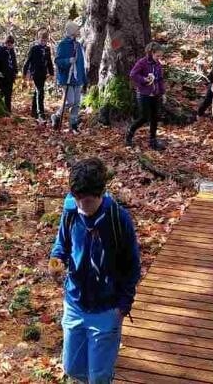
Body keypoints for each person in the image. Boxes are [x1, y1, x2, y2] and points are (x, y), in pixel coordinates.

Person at [48, 158, 141, 384]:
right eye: (77, 198)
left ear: (100, 194)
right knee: (71, 367)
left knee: (99, 376)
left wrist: (124, 305)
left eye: (87, 201)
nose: (82, 205)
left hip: (107, 309)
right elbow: (62, 243)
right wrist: (56, 258)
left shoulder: (118, 220)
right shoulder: (71, 211)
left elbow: (132, 266)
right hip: (75, 303)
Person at [125, 43, 165, 150]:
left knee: (155, 117)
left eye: (160, 56)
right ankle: (129, 134)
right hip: (143, 94)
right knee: (144, 117)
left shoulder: (158, 64)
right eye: (157, 56)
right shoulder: (142, 62)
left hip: (155, 94)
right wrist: (144, 79)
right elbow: (133, 74)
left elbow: (160, 79)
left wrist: (162, 92)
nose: (159, 58)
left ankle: (153, 141)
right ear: (152, 53)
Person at [52, 21, 87, 133]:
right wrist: (68, 61)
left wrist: (83, 78)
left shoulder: (78, 45)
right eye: (76, 30)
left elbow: (81, 63)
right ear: (71, 31)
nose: (78, 31)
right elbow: (57, 61)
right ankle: (57, 116)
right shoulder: (63, 44)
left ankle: (73, 124)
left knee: (77, 103)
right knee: (70, 101)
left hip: (77, 78)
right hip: (66, 77)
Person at [23, 28, 55, 124]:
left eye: (45, 40)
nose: (43, 42)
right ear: (38, 39)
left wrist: (51, 73)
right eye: (42, 40)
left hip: (43, 73)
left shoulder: (47, 49)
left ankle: (34, 111)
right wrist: (25, 73)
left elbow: (49, 62)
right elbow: (28, 61)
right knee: (40, 92)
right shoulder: (34, 48)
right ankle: (40, 114)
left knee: (37, 92)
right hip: (36, 73)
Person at [0, 35, 18, 112]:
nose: (9, 46)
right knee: (2, 93)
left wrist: (15, 72)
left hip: (10, 77)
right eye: (8, 44)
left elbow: (14, 62)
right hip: (1, 77)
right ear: (5, 43)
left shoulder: (12, 51)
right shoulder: (0, 50)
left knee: (8, 95)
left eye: (11, 44)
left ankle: (8, 111)